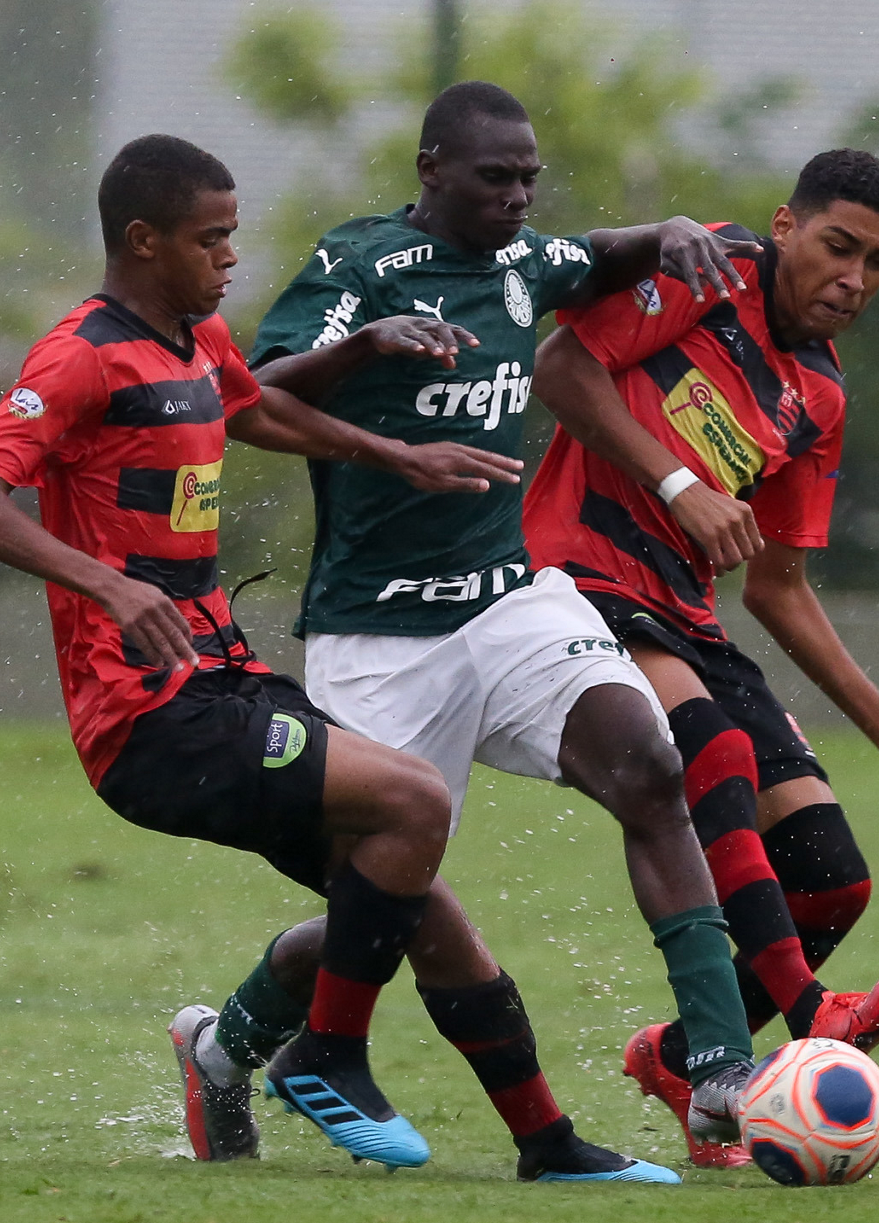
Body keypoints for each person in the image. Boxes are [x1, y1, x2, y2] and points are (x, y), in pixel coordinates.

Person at [178, 80, 769, 1181]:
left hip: (508, 601)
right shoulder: (360, 264)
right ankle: (227, 1046)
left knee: (650, 766)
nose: (517, 197)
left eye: (529, 179)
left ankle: (723, 1065)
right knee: (387, 910)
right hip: (377, 636)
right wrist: (368, 348)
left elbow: (598, 255)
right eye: (496, 177)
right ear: (432, 170)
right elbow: (253, 394)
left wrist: (670, 231)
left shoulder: (523, 263)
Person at [0, 133, 533, 1171]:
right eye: (211, 238)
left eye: (232, 236)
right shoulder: (80, 355)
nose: (230, 257)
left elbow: (257, 408)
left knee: (409, 896)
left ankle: (538, 1140)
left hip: (222, 679)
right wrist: (108, 581)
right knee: (412, 803)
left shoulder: (195, 336)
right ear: (143, 240)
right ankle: (326, 1060)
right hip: (147, 716)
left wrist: (394, 450)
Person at [522, 147, 879, 1165]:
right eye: (837, 247)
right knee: (715, 750)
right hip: (579, 575)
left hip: (685, 613)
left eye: (877, 263)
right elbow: (559, 367)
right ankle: (802, 1013)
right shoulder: (710, 268)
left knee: (831, 879)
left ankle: (679, 1058)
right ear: (785, 227)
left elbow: (778, 585)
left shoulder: (818, 394)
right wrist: (679, 481)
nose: (853, 280)